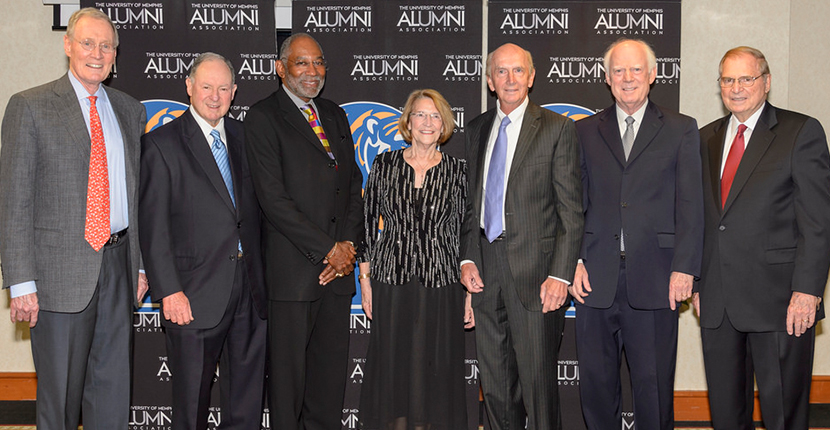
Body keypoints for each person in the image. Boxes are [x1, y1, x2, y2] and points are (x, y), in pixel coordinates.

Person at [0, 7, 147, 429]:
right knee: (59, 404)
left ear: (115, 55)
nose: (97, 53)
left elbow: (134, 195)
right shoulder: (30, 106)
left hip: (118, 267)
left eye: (106, 46)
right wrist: (21, 283)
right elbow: (14, 200)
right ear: (67, 45)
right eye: (88, 43)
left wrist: (138, 264)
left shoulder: (130, 110)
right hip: (56, 277)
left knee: (113, 396)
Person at [569, 39, 703, 430]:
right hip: (594, 278)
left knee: (653, 389)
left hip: (657, 278)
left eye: (636, 69)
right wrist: (573, 259)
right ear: (607, 78)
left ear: (653, 75)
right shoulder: (583, 131)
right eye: (618, 71)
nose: (627, 78)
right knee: (596, 389)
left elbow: (691, 205)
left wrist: (685, 268)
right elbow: (572, 204)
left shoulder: (681, 128)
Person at [693, 46, 830, 430]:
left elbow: (818, 222)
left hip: (781, 303)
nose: (736, 88)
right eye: (728, 79)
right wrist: (700, 282)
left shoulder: (800, 132)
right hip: (718, 304)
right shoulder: (704, 139)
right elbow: (700, 219)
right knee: (726, 416)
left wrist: (807, 291)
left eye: (746, 78)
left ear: (766, 82)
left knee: (782, 415)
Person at [138, 52, 267, 430]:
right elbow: (153, 226)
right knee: (191, 405)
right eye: (207, 86)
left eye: (223, 88)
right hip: (192, 295)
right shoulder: (161, 144)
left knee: (246, 403)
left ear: (234, 91)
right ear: (189, 86)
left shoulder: (247, 137)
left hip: (250, 292)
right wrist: (169, 291)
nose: (215, 96)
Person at [459, 43, 583, 430]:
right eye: (501, 71)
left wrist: (560, 274)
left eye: (518, 71)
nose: (510, 79)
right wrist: (467, 258)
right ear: (489, 80)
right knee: (496, 389)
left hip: (538, 277)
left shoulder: (557, 128)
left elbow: (571, 210)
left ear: (531, 77)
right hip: (486, 274)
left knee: (538, 389)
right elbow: (472, 205)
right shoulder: (476, 129)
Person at [244, 33, 363, 430]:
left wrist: (347, 247)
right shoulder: (263, 117)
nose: (313, 71)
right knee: (288, 388)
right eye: (302, 63)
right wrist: (329, 249)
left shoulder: (334, 113)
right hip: (293, 276)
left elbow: (353, 186)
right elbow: (273, 200)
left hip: (337, 276)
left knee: (328, 386)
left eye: (318, 62)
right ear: (281, 69)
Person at [357, 89, 471, 430]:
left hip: (442, 284)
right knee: (393, 368)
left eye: (435, 116)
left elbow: (467, 233)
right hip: (391, 282)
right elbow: (366, 223)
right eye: (420, 114)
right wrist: (365, 280)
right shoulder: (385, 164)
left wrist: (470, 292)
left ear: (444, 125)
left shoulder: (457, 171)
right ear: (408, 122)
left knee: (434, 369)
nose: (427, 122)